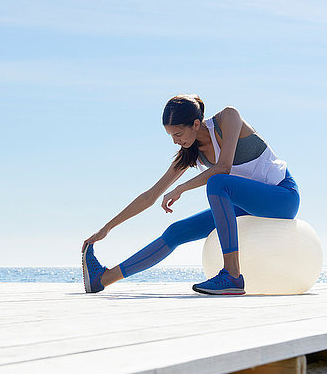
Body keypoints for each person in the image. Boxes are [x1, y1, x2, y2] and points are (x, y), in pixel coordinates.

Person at [82, 94, 300, 295]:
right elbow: (150, 196)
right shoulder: (191, 152)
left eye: (178, 134)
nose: (175, 141)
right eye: (171, 136)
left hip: (282, 197)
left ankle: (232, 276)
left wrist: (180, 189)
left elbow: (223, 167)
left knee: (217, 183)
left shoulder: (228, 118)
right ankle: (102, 279)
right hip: (247, 206)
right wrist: (106, 228)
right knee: (177, 231)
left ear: (196, 124)